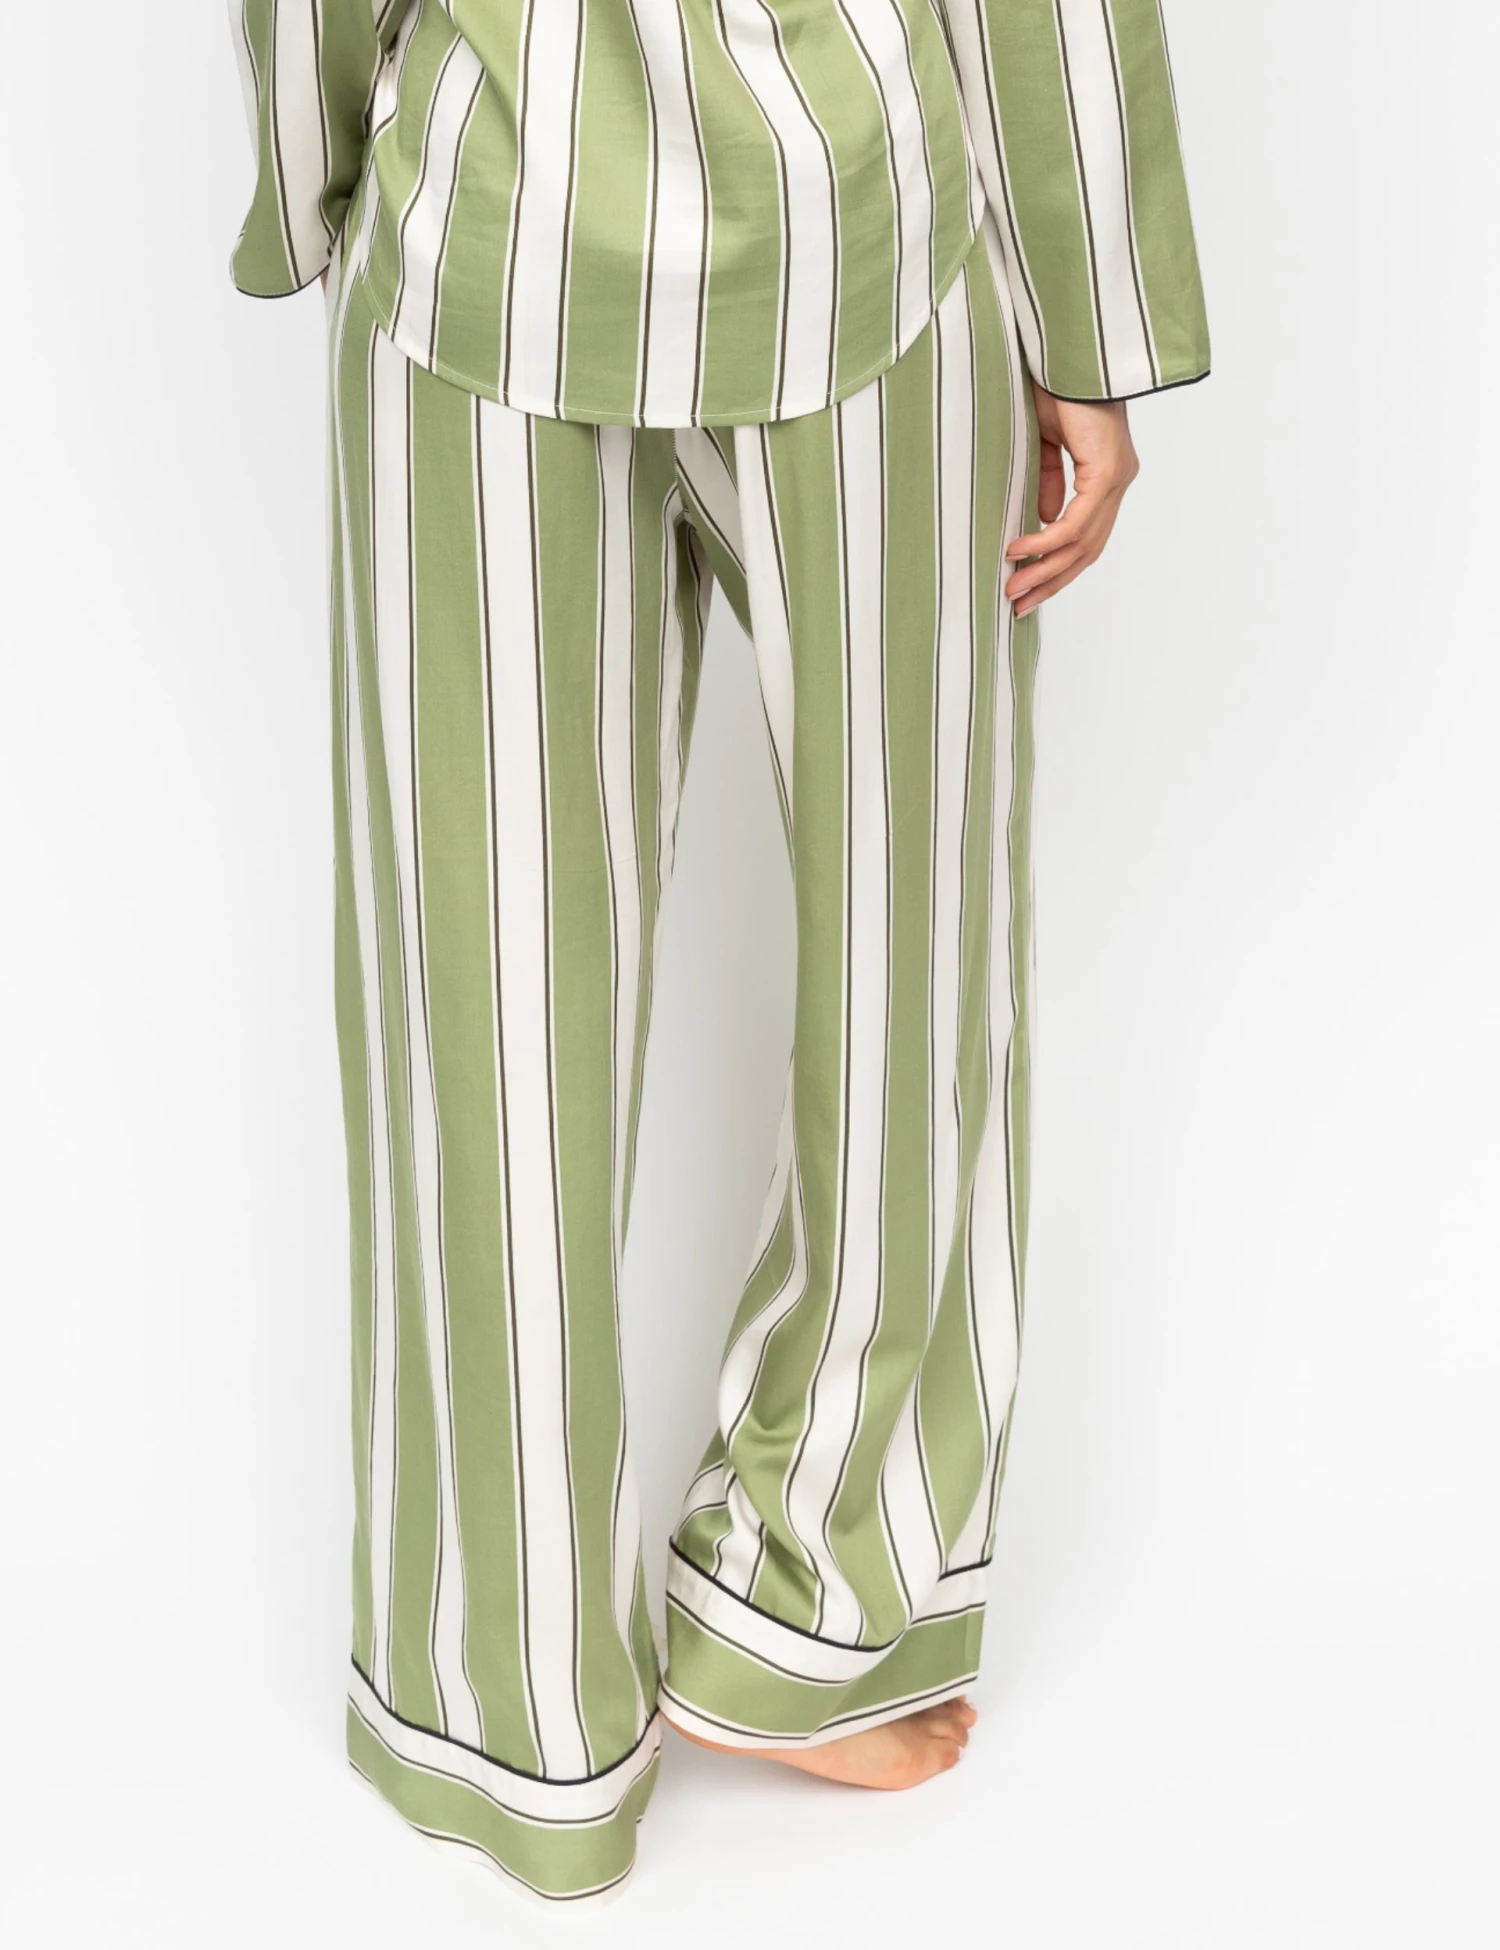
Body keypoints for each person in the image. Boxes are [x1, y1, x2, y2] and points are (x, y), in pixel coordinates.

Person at [229, 0, 1208, 1908]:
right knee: (919, 934)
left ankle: (504, 1696)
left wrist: (314, 168)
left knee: (478, 998)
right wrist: (1092, 312)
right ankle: (805, 1593)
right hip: (854, 205)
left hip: (490, 212)